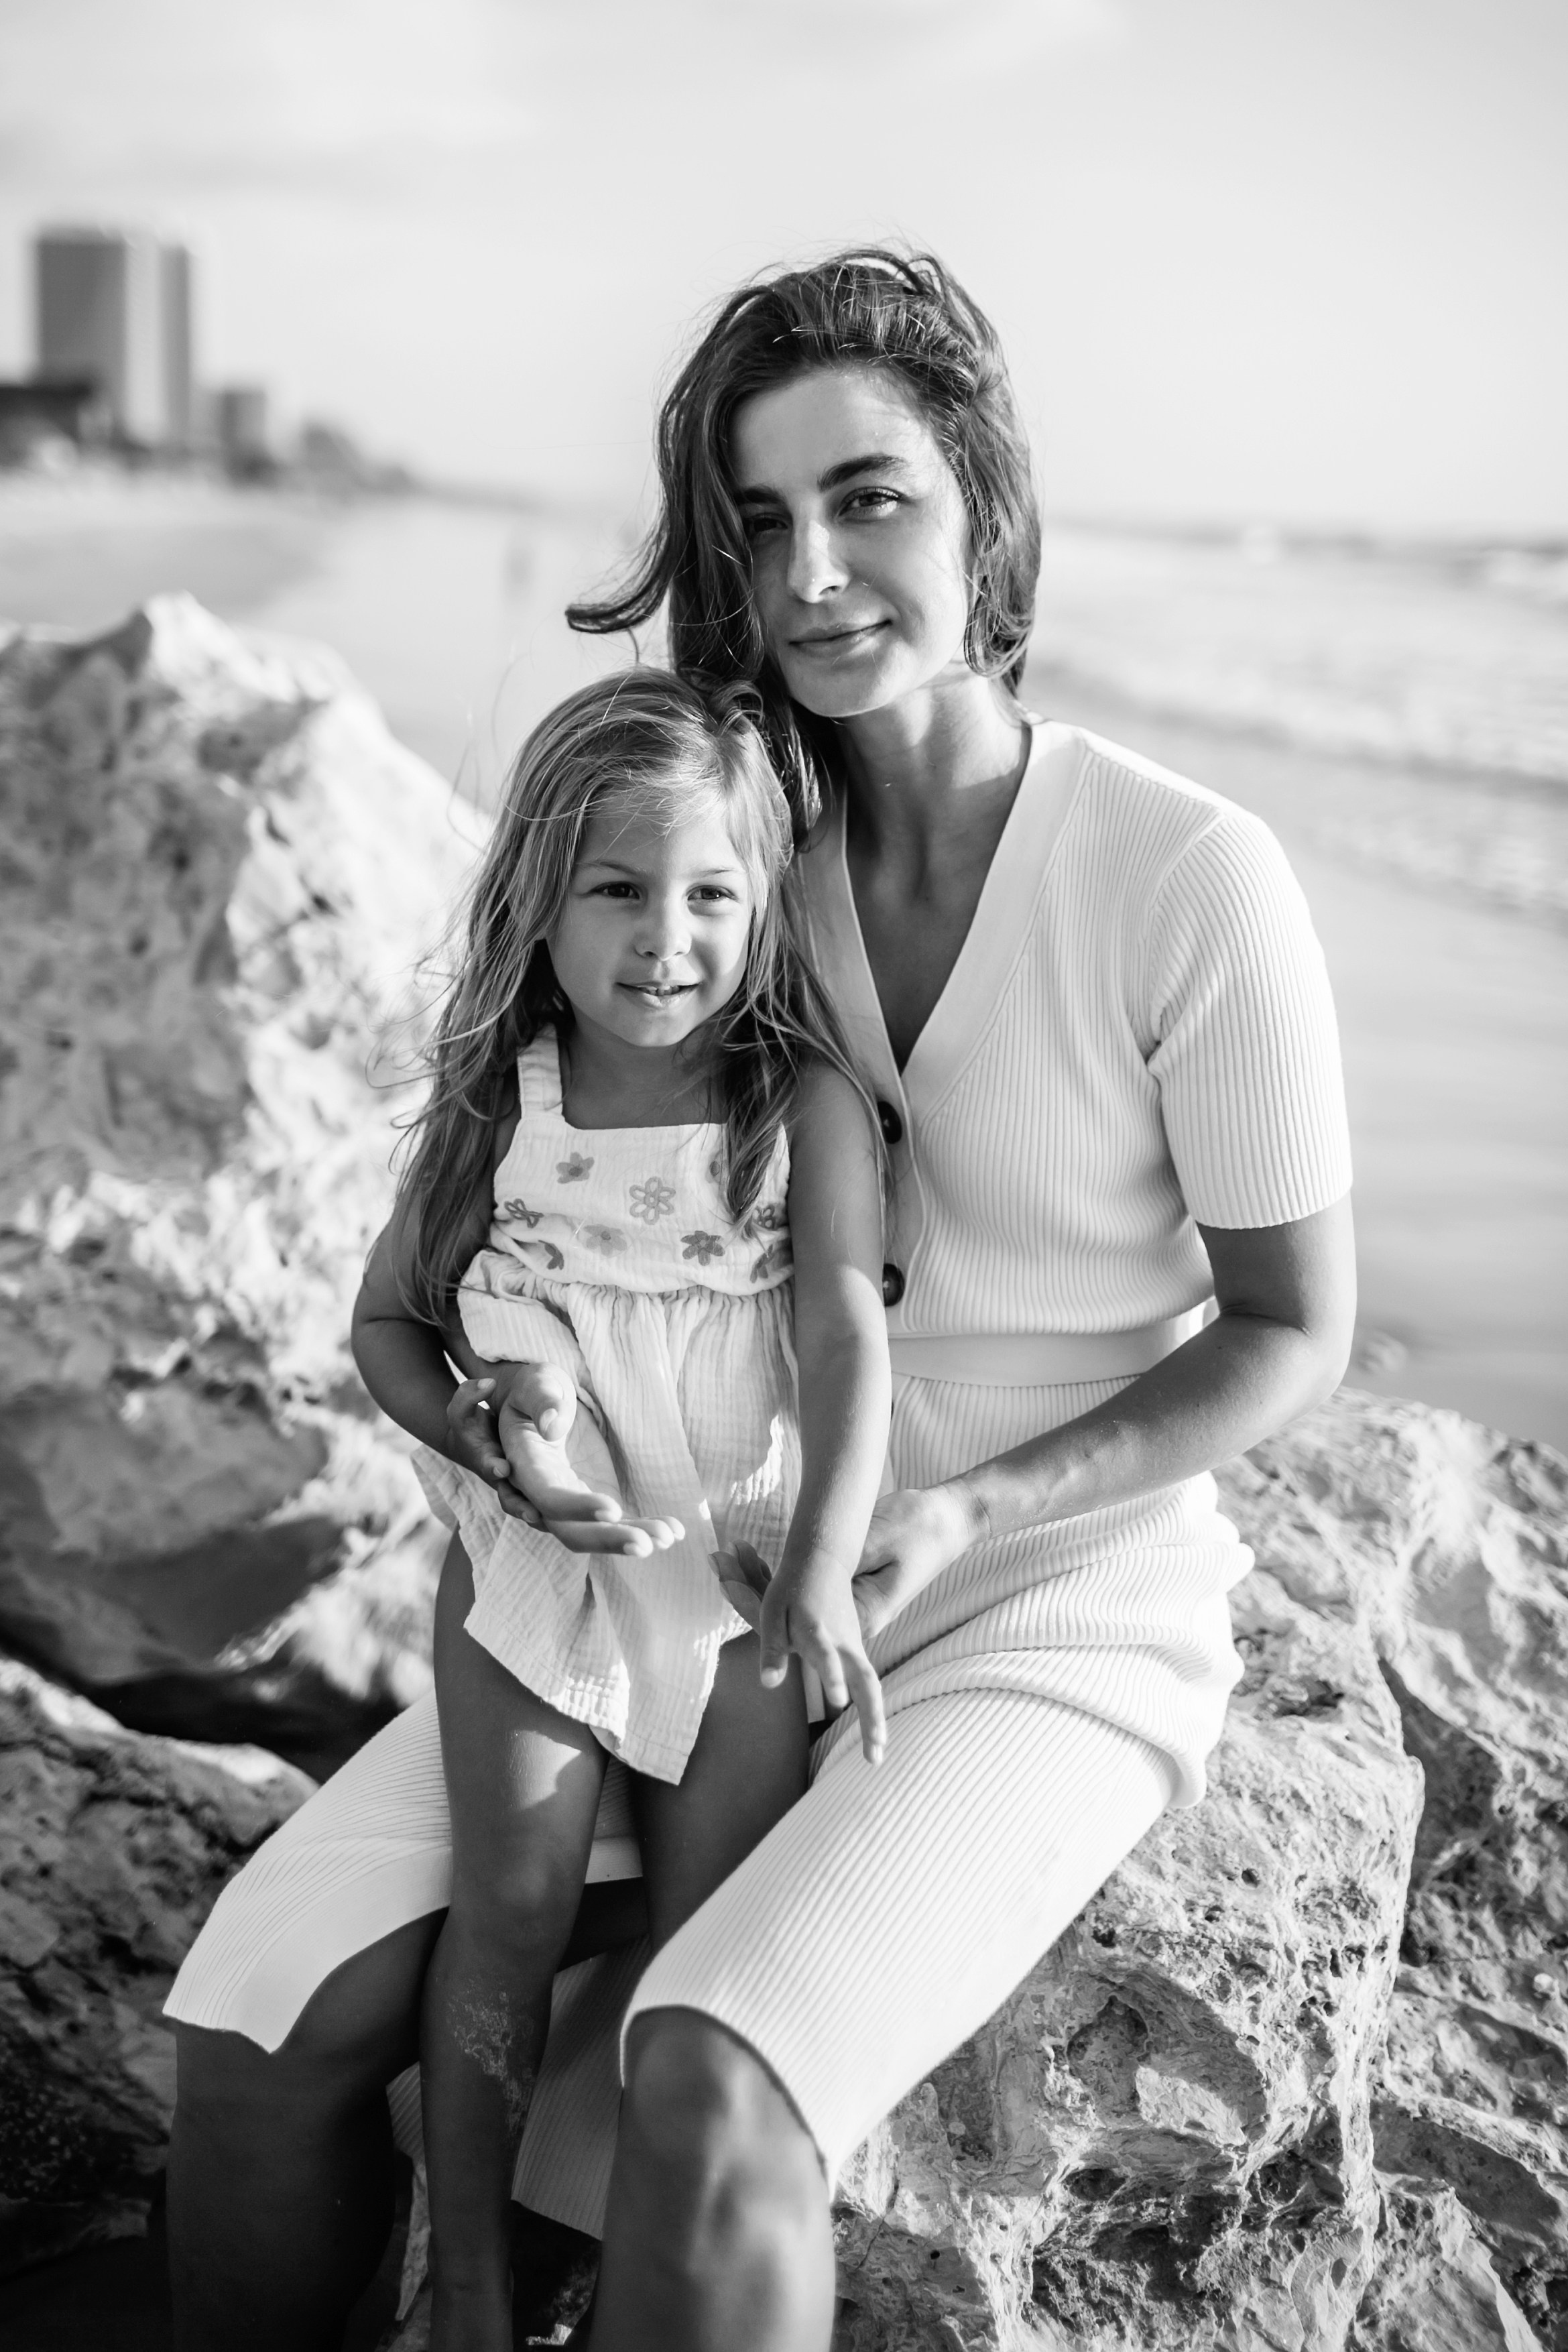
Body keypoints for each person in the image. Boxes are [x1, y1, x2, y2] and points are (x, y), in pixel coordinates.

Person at [166, 249, 1355, 2352]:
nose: (809, 570)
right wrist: (513, 1416)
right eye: (756, 519)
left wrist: (956, 1506)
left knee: (707, 2090)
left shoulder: (1185, 875)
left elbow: (1289, 1328)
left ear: (983, 501)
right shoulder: (720, 851)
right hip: (671, 1573)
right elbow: (519, 1195)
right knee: (256, 2024)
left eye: (867, 497)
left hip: (1034, 1604)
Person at [348, 668, 890, 2346]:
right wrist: (476, 1432)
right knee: (507, 1913)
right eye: (619, 889)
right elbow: (388, 1326)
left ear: (764, 901)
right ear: (541, 893)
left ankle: (626, 2268)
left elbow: (844, 1335)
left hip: (729, 1584)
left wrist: (823, 1566)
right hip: (536, 1568)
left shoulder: (795, 1106)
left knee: (708, 1947)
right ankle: (467, 2278)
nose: (668, 938)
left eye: (713, 893)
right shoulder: (501, 1103)